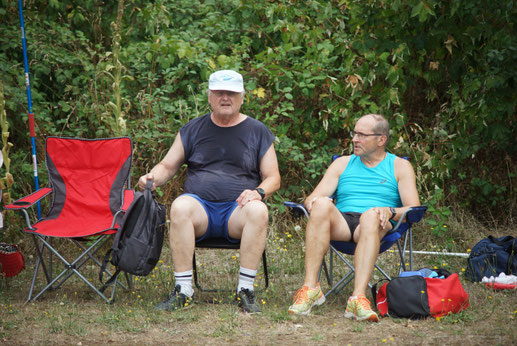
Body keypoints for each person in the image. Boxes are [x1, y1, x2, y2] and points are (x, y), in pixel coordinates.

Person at [139, 70, 281, 313]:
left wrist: (258, 192)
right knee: (180, 206)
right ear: (209, 96)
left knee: (258, 210)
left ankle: (245, 290)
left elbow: (273, 177)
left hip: (237, 212)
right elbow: (167, 166)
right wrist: (152, 177)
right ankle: (183, 290)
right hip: (200, 211)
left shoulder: (257, 131)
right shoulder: (192, 129)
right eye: (219, 93)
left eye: (231, 93)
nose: (225, 98)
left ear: (242, 97)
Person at [288, 114, 420, 322]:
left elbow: (414, 209)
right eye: (354, 133)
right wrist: (313, 203)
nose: (354, 139)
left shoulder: (399, 167)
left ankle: (358, 298)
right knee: (322, 203)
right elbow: (312, 197)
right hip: (341, 223)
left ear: (381, 139)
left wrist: (390, 211)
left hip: (376, 224)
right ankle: (310, 288)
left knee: (370, 215)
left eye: (361, 135)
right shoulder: (342, 163)